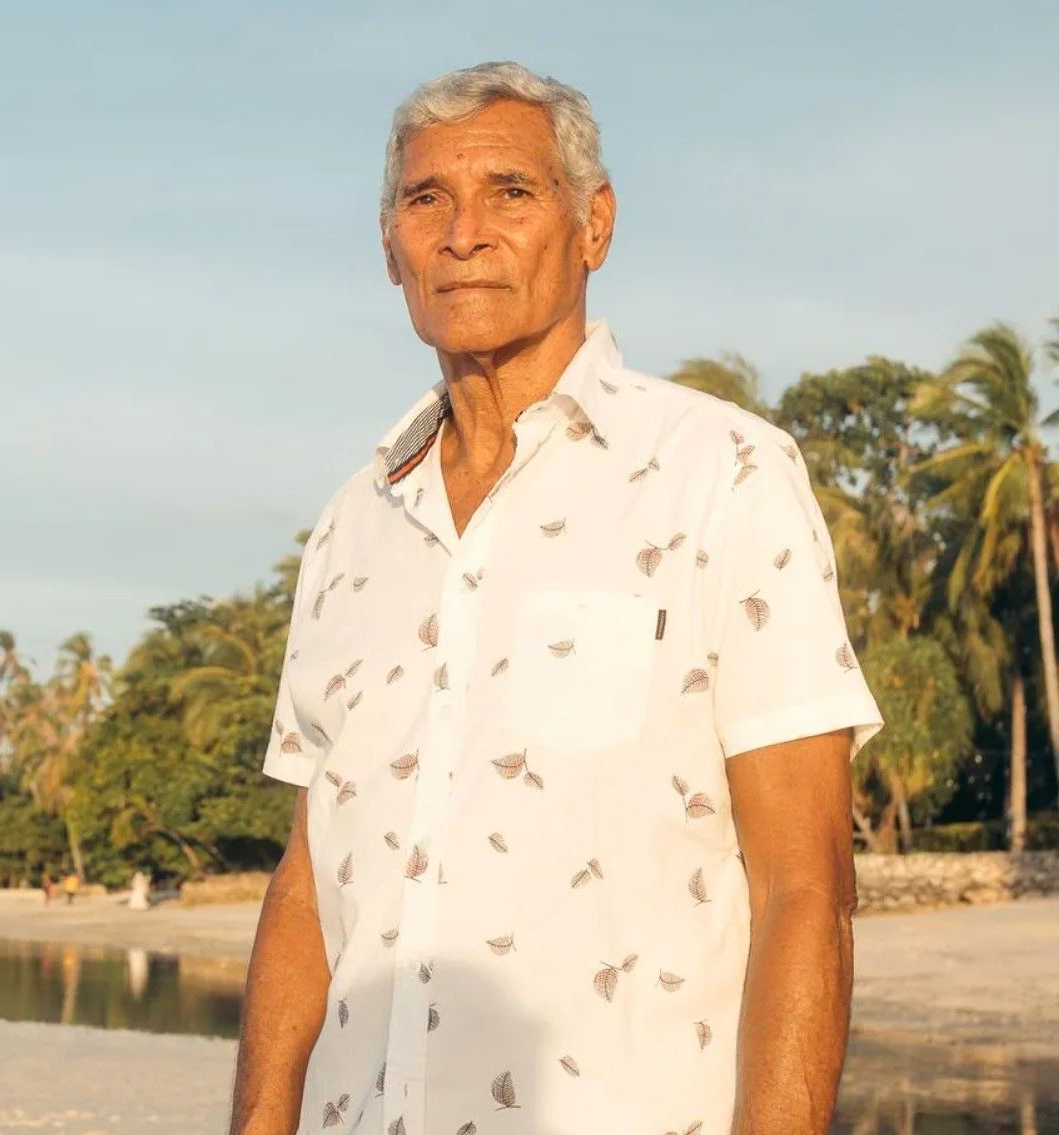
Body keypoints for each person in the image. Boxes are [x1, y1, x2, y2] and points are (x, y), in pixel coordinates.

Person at [228, 61, 884, 1135]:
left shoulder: (721, 476)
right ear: (388, 249)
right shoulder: (354, 522)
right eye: (425, 199)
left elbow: (805, 889)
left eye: (511, 192)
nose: (463, 233)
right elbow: (308, 887)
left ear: (595, 226)